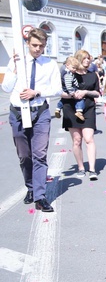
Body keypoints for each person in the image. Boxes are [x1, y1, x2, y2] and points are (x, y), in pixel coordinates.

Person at [2, 28, 62, 212]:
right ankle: (30, 187)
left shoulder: (49, 64)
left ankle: (40, 196)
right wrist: (13, 67)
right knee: (25, 156)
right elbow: (6, 88)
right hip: (18, 113)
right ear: (27, 43)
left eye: (41, 46)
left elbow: (57, 90)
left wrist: (37, 92)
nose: (38, 49)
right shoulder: (17, 61)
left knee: (39, 155)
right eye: (35, 45)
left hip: (40, 112)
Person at [61, 50, 101, 180]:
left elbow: (97, 93)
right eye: (84, 58)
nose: (87, 60)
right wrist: (72, 94)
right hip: (71, 108)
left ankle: (92, 169)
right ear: (78, 59)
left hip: (88, 108)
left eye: (89, 58)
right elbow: (60, 93)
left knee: (89, 138)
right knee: (77, 140)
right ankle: (81, 167)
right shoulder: (68, 74)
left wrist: (85, 92)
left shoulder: (93, 75)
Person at [61, 56, 87, 121]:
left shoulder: (66, 72)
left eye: (76, 68)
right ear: (67, 65)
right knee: (80, 99)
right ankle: (79, 111)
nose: (74, 70)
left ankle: (58, 108)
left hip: (67, 90)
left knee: (63, 100)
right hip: (70, 90)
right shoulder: (68, 74)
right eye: (73, 68)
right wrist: (72, 93)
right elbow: (68, 84)